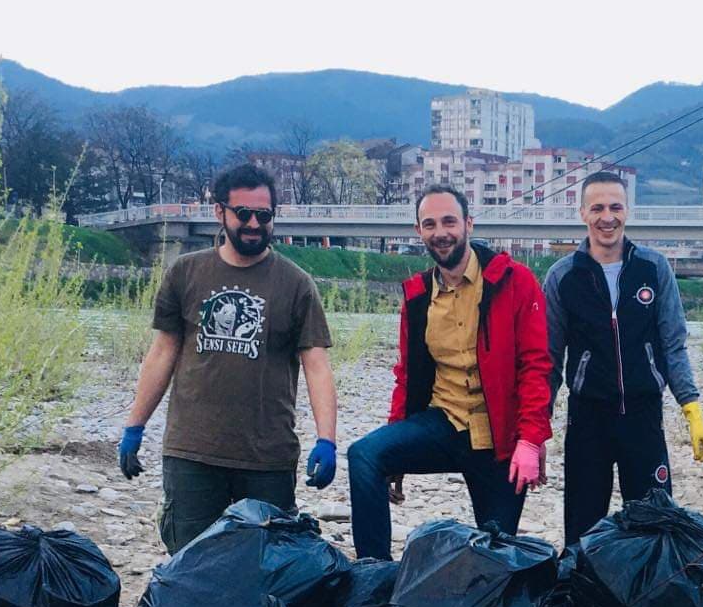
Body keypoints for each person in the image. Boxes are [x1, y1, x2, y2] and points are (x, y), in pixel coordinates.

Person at [119, 162, 337, 552]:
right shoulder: (185, 272)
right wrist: (135, 426)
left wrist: (327, 440)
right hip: (192, 452)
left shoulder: (296, 284)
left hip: (267, 458)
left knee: (269, 568)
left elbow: (316, 365)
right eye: (243, 213)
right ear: (220, 212)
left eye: (264, 215)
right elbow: (163, 352)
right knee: (190, 563)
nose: (254, 223)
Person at [346, 185, 552, 560]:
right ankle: (372, 576)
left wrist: (530, 440)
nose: (440, 232)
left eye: (449, 221)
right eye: (430, 224)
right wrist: (397, 434)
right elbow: (407, 375)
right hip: (445, 422)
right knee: (365, 455)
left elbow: (537, 367)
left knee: (496, 558)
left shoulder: (515, 282)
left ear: (468, 224)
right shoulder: (417, 296)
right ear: (419, 231)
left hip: (498, 437)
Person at [543, 171, 703, 545]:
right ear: (583, 212)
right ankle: (582, 598)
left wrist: (692, 408)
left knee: (655, 526)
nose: (608, 217)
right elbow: (549, 358)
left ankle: (650, 600)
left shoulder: (654, 268)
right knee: (583, 531)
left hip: (643, 416)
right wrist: (538, 426)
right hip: (588, 418)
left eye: (616, 207)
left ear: (627, 211)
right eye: (598, 207)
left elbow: (673, 344)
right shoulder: (562, 277)